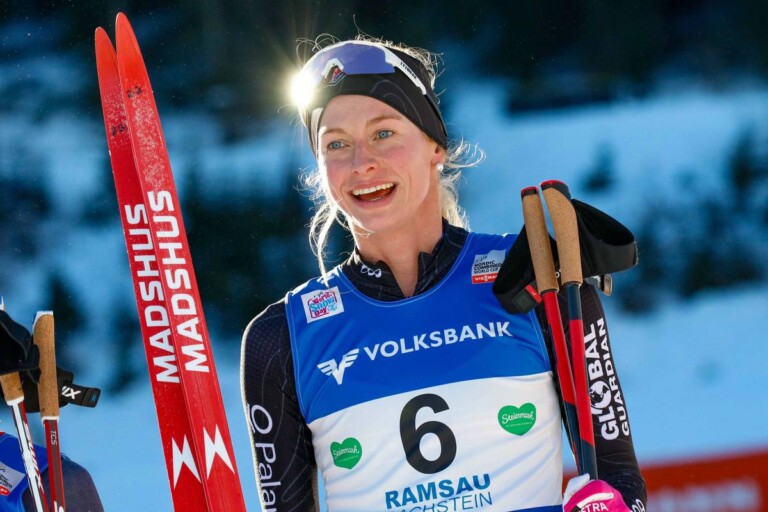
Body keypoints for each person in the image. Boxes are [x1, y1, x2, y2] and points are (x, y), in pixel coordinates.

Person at [241, 36, 647, 512]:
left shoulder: (536, 275)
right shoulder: (282, 337)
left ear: (436, 146)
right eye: (336, 144)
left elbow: (619, 476)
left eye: (383, 133)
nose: (361, 162)